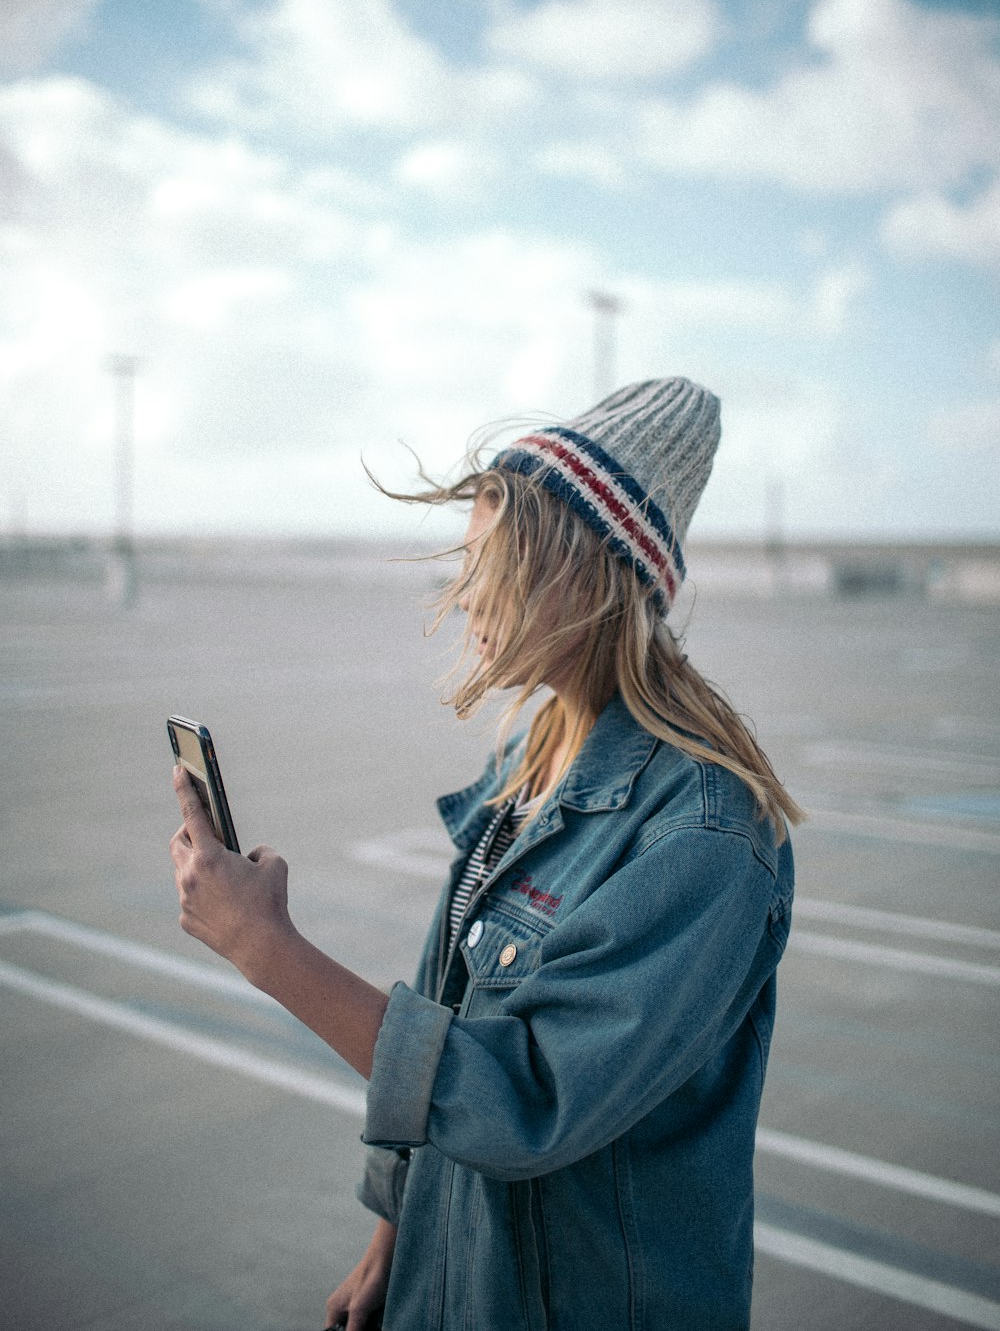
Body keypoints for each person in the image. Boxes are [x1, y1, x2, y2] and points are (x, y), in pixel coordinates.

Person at [170, 377, 801, 1331]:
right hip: (452, 1283)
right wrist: (396, 1231)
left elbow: (526, 1101)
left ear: (584, 577)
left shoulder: (708, 836)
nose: (465, 597)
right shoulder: (532, 758)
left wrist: (269, 950)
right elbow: (447, 1000)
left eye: (491, 567)